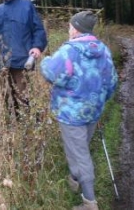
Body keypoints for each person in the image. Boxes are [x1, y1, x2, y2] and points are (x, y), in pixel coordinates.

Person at [40, 11, 118, 210]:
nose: (69, 29)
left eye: (69, 26)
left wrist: (44, 60)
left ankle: (90, 202)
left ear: (75, 28)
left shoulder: (70, 50)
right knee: (78, 148)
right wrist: (98, 103)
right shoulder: (104, 50)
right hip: (93, 111)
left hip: (71, 113)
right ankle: (74, 180)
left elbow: (52, 74)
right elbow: (111, 82)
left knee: (81, 155)